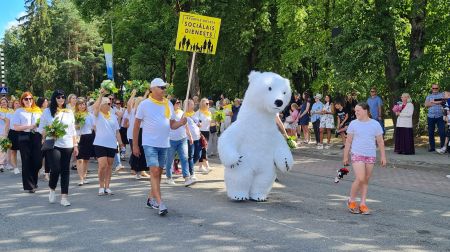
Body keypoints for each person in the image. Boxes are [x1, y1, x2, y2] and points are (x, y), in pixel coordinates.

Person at [132, 78, 187, 216]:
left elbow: (172, 125)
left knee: (159, 173)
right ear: (153, 89)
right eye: (161, 87)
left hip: (164, 143)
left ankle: (151, 199)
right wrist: (135, 145)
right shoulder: (144, 104)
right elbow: (136, 125)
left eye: (164, 87)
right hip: (149, 143)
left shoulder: (168, 103)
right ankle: (160, 202)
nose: (164, 89)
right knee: (154, 172)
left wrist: (180, 123)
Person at [343, 102, 386, 215]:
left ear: (366, 110)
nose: (356, 113)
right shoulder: (353, 124)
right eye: (355, 111)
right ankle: (351, 200)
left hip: (370, 155)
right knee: (360, 178)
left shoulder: (375, 124)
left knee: (365, 180)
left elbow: (380, 141)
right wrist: (345, 156)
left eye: (358, 111)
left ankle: (362, 204)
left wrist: (383, 156)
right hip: (357, 153)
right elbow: (348, 141)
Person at [39, 90, 78, 206]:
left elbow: (73, 130)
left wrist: (75, 145)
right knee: (55, 169)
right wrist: (50, 130)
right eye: (58, 97)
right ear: (54, 99)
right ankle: (52, 188)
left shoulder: (69, 112)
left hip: (68, 144)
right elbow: (41, 128)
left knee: (65, 171)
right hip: (53, 143)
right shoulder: (47, 112)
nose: (61, 99)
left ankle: (64, 197)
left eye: (63, 97)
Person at [93, 89, 125, 196]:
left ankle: (107, 187)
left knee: (109, 166)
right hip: (100, 143)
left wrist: (121, 143)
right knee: (102, 165)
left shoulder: (113, 117)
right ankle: (101, 186)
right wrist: (101, 95)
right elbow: (95, 106)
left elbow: (117, 132)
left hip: (111, 144)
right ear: (102, 105)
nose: (110, 104)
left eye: (110, 103)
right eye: (107, 103)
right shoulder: (97, 115)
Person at [12, 92, 43, 193]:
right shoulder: (19, 112)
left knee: (37, 161)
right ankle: (30, 186)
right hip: (24, 136)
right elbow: (15, 127)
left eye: (30, 99)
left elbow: (43, 125)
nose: (28, 101)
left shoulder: (38, 111)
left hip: (37, 136)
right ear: (22, 100)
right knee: (26, 161)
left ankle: (34, 180)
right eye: (26, 99)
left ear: (33, 100)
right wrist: (29, 126)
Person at [165, 98, 195, 186]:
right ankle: (169, 177)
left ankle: (187, 178)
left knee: (184, 157)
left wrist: (190, 136)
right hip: (171, 140)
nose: (179, 104)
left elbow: (186, 126)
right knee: (169, 160)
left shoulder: (182, 112)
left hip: (182, 139)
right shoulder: (168, 113)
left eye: (179, 102)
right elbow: (168, 126)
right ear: (172, 104)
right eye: (177, 103)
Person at [75, 97, 95, 185]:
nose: (82, 106)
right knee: (79, 159)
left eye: (83, 104)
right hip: (78, 137)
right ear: (77, 106)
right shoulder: (74, 115)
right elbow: (72, 127)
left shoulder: (89, 115)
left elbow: (93, 126)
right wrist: (77, 125)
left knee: (86, 159)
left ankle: (84, 176)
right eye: (80, 104)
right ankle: (81, 179)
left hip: (88, 137)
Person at [424, 83, 445, 152]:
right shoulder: (429, 96)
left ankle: (443, 147)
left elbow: (443, 101)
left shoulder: (442, 95)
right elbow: (426, 104)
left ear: (438, 88)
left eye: (436, 88)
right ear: (431, 89)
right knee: (430, 133)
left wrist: (433, 102)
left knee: (442, 132)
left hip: (440, 116)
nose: (435, 90)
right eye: (433, 88)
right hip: (430, 116)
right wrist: (438, 102)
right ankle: (432, 147)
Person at [185, 99, 202, 181]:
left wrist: (199, 124)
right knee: (190, 156)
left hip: (197, 138)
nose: (193, 106)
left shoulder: (194, 114)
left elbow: (198, 123)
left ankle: (188, 167)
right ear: (187, 105)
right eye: (191, 104)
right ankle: (192, 173)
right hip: (189, 139)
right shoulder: (184, 115)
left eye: (193, 104)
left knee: (198, 155)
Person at [7, 99, 21, 174]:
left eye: (18, 103)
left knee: (23, 150)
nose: (17, 104)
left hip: (21, 132)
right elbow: (7, 125)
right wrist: (5, 135)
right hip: (12, 133)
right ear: (13, 105)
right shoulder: (10, 113)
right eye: (16, 103)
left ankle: (25, 166)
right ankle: (15, 167)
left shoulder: (22, 112)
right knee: (13, 151)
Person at [0, 97, 11, 172]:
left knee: (9, 147)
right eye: (2, 102)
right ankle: (1, 164)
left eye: (5, 102)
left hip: (11, 131)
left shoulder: (11, 111)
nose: (3, 103)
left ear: (7, 103)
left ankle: (7, 163)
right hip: (2, 131)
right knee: (2, 147)